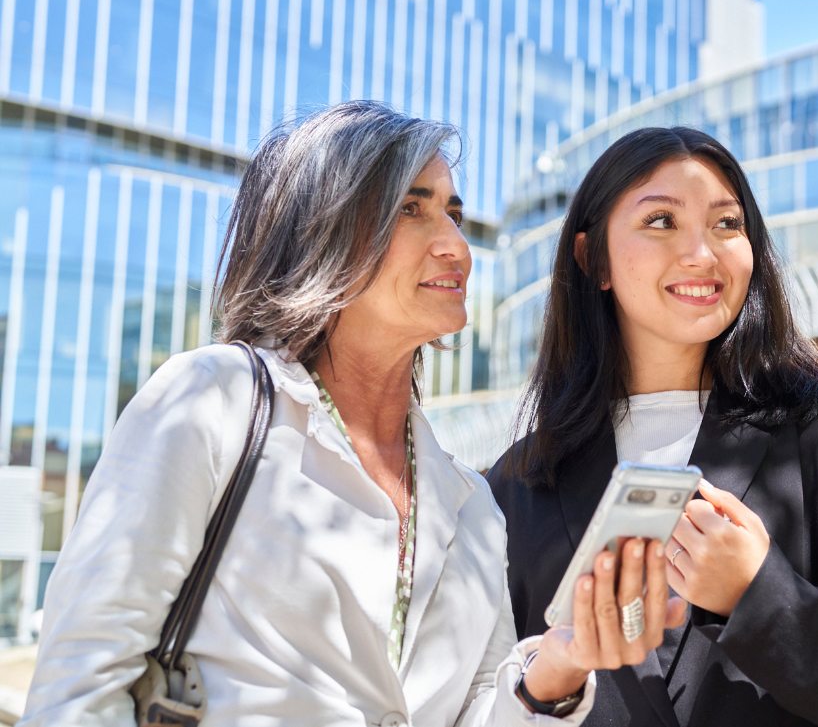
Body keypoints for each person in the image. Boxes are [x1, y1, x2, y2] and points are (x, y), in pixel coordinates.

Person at [20, 102, 683, 727]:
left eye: (453, 211)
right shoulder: (211, 402)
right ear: (321, 233)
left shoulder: (472, 503)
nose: (456, 243)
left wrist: (555, 669)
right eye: (412, 210)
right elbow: (79, 687)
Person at [486, 126, 818, 727]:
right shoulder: (518, 486)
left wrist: (758, 593)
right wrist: (551, 683)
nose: (703, 253)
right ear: (591, 258)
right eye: (661, 222)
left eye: (727, 224)